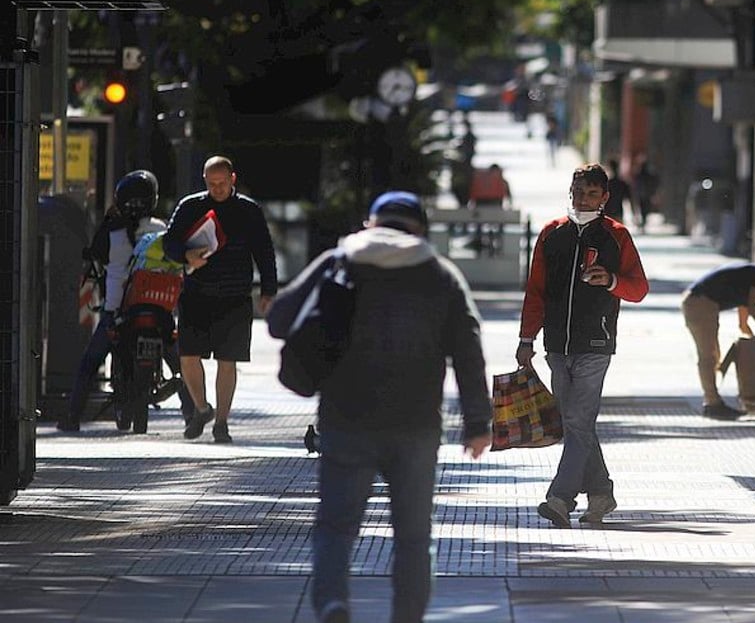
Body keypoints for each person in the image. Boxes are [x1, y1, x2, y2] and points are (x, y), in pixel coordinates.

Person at [267, 191, 492, 623]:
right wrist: (478, 423)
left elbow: (279, 318)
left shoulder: (340, 261)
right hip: (417, 426)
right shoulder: (439, 274)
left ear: (372, 223)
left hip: (345, 419)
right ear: (420, 229)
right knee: (412, 538)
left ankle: (333, 604)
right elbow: (468, 348)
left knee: (335, 527)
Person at [518, 163, 649, 529]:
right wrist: (526, 339)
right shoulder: (551, 234)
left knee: (577, 421)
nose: (583, 199)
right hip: (557, 344)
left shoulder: (616, 236)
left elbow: (639, 288)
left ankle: (560, 499)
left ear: (605, 198)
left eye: (591, 194)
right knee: (576, 424)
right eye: (578, 192)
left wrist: (610, 281)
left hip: (596, 342)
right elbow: (535, 292)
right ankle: (602, 495)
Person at [59, 170, 196, 432]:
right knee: (180, 363)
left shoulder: (111, 231)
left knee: (90, 363)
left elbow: (94, 256)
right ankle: (191, 414)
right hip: (159, 308)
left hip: (117, 310)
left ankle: (72, 416)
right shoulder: (162, 229)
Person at [164, 155, 278, 443]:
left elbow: (264, 251)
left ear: (233, 180)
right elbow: (169, 242)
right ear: (204, 180)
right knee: (188, 356)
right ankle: (202, 409)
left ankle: (222, 423)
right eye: (212, 184)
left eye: (222, 183)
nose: (217, 189)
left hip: (235, 295)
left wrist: (269, 291)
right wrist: (185, 256)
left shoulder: (249, 210)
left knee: (228, 360)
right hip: (196, 293)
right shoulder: (190, 206)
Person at [681, 254, 755, 420]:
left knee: (713, 355)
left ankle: (713, 400)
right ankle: (712, 403)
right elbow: (753, 308)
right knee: (708, 357)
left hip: (699, 302)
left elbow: (743, 322)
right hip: (701, 304)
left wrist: (754, 339)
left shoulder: (749, 275)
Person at [602, 157, 636, 224]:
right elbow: (630, 199)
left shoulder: (607, 184)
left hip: (607, 213)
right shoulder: (622, 184)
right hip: (618, 213)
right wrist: (634, 214)